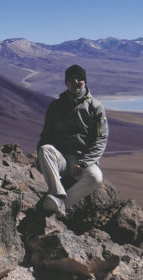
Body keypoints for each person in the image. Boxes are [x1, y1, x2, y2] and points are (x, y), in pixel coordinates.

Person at [36, 64, 108, 216]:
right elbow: (46, 135)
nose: (75, 82)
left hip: (82, 161)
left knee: (96, 177)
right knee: (44, 149)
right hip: (61, 158)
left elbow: (101, 139)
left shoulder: (95, 107)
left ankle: (61, 204)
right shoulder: (56, 106)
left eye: (79, 79)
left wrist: (84, 162)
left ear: (85, 81)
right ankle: (57, 194)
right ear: (66, 82)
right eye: (71, 79)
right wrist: (41, 159)